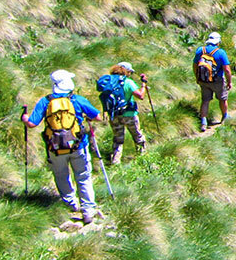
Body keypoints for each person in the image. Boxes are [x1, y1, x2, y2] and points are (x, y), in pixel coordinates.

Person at [21, 70, 102, 225]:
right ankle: (88, 210)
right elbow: (97, 117)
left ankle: (70, 204)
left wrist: (25, 119)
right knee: (83, 175)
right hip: (78, 146)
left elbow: (32, 124)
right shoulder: (77, 99)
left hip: (55, 147)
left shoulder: (45, 101)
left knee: (61, 174)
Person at [105, 62, 147, 165]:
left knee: (118, 139)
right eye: (130, 72)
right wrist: (144, 85)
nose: (130, 74)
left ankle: (115, 162)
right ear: (126, 71)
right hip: (129, 114)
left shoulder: (108, 82)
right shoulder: (128, 82)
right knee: (137, 136)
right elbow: (140, 96)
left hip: (114, 115)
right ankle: (142, 158)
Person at [193, 31, 231, 132]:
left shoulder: (200, 50)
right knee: (222, 99)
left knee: (205, 100)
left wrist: (197, 77)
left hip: (203, 80)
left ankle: (203, 122)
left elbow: (195, 65)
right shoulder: (221, 52)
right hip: (217, 80)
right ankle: (224, 117)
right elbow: (227, 70)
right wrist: (229, 82)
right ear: (218, 42)